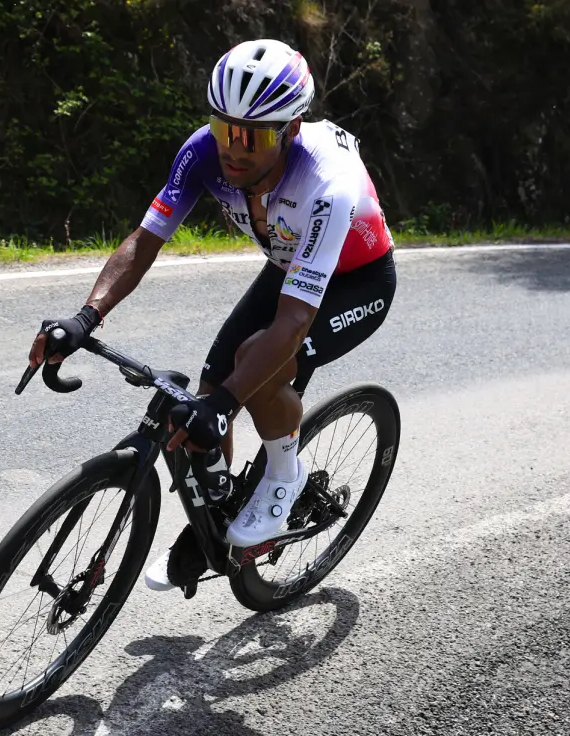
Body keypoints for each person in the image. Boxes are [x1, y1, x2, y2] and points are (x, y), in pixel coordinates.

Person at [27, 39, 397, 591]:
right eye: (225, 129)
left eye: (251, 136)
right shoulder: (203, 152)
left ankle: (282, 479)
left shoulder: (326, 185)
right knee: (206, 387)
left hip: (356, 282)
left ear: (290, 130)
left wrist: (226, 406)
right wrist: (85, 318)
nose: (233, 148)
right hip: (291, 265)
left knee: (256, 369)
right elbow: (145, 240)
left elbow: (293, 323)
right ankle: (217, 523)